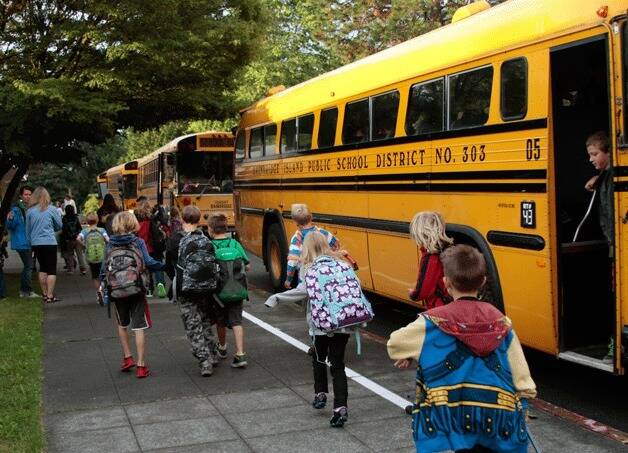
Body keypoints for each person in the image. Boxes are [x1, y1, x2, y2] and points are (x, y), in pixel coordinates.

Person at [387, 245, 536, 453]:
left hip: (454, 414)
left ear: (446, 283)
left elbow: (395, 344)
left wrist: (415, 354)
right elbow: (521, 374)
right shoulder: (501, 322)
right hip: (495, 415)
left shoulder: (432, 322)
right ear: (483, 282)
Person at [265, 232, 355, 428]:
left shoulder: (309, 267)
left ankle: (320, 393)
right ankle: (340, 407)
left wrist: (277, 298)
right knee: (338, 365)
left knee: (319, 357)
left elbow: (302, 291)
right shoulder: (342, 263)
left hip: (320, 325)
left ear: (307, 248)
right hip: (342, 322)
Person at [100, 211, 165, 378]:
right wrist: (164, 266)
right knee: (139, 327)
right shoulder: (138, 242)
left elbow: (104, 268)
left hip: (117, 290)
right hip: (136, 289)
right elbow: (148, 262)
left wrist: (103, 286)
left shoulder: (110, 244)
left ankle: (128, 357)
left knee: (122, 324)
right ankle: (141, 366)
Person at [170, 206, 219, 376]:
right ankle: (213, 353)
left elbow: (171, 263)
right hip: (206, 287)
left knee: (192, 324)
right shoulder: (205, 238)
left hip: (186, 288)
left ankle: (204, 361)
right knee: (205, 320)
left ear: (182, 219)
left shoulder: (176, 239)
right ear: (199, 221)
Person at [209, 213, 251, 368]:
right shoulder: (235, 244)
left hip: (219, 293)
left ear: (211, 229)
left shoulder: (210, 246)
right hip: (237, 290)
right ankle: (240, 354)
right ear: (226, 228)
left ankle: (223, 347)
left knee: (220, 321)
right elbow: (247, 265)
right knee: (236, 321)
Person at [285, 203, 339, 289]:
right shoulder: (323, 233)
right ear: (311, 216)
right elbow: (336, 245)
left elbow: (292, 262)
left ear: (294, 221)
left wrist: (288, 280)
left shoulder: (297, 238)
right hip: (327, 276)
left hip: (307, 280)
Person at [408, 211, 454, 309]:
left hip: (439, 308)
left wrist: (413, 294)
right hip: (451, 302)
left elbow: (424, 289)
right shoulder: (448, 249)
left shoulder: (430, 258)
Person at [25, 187, 62, 303]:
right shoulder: (51, 209)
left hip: (36, 243)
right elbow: (59, 225)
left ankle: (44, 294)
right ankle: (50, 295)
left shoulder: (30, 211)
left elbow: (28, 230)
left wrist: (30, 243)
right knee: (51, 270)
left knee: (42, 268)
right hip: (49, 242)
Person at [5, 185, 38, 298]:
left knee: (28, 266)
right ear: (21, 195)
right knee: (28, 266)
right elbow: (10, 226)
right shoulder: (17, 209)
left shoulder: (31, 208)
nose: (28, 197)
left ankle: (25, 291)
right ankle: (26, 291)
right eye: (26, 194)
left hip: (28, 241)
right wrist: (9, 219)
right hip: (22, 242)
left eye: (30, 194)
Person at [78, 212, 109, 303]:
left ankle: (98, 292)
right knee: (104, 275)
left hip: (91, 257)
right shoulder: (102, 230)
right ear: (97, 220)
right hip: (102, 256)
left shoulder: (85, 231)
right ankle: (105, 292)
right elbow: (108, 240)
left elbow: (78, 238)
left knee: (95, 276)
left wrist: (84, 245)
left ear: (87, 221)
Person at [61, 205, 86, 275]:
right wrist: (78, 235)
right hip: (77, 238)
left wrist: (66, 237)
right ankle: (83, 269)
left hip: (69, 239)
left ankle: (71, 269)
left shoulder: (64, 218)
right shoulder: (76, 218)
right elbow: (80, 228)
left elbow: (64, 229)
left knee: (70, 254)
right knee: (80, 254)